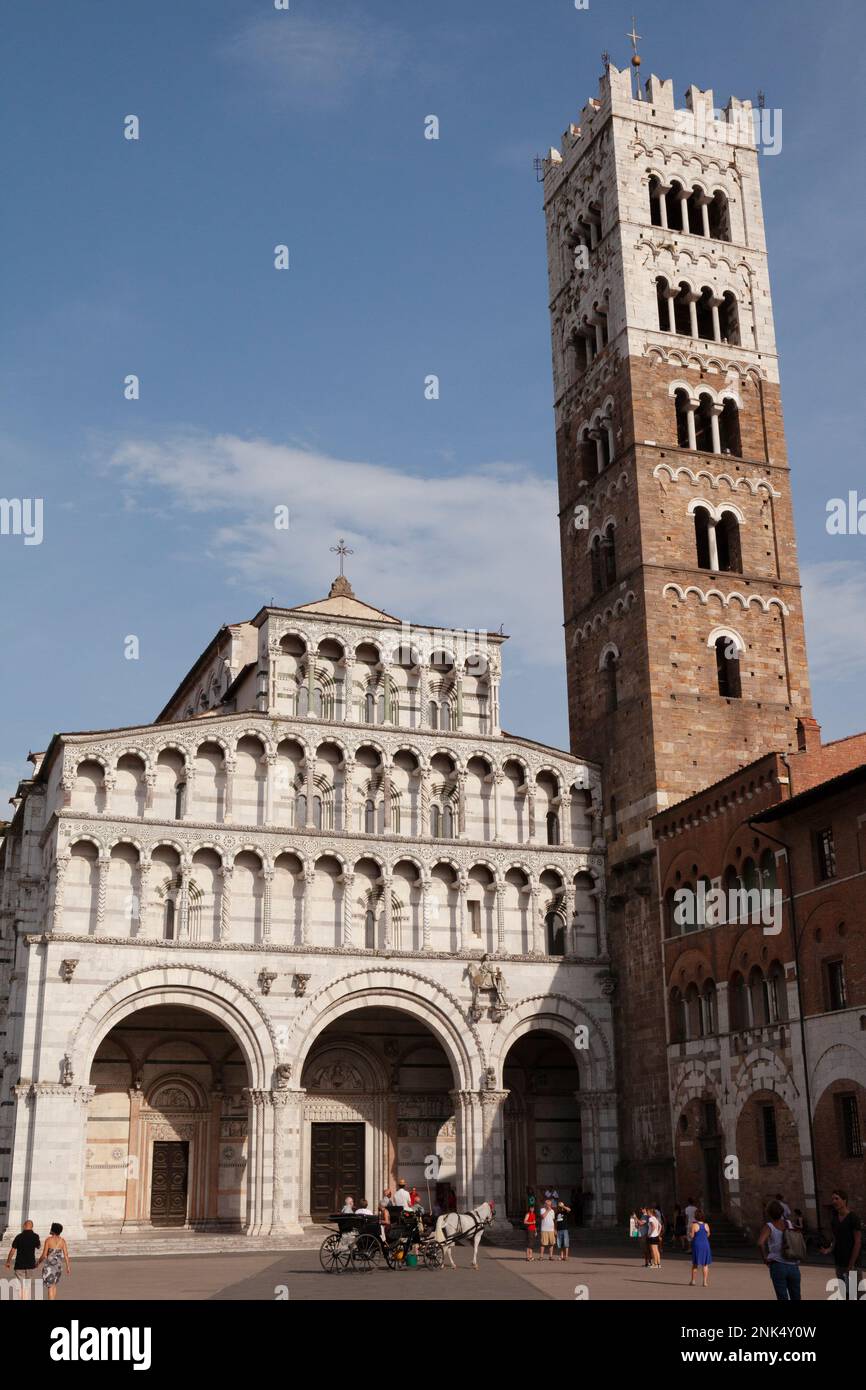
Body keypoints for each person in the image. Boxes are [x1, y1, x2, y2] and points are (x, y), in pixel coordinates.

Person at [820, 1189, 862, 1299]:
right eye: (832, 1199)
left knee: (855, 1295)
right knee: (844, 1294)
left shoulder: (853, 1218)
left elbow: (857, 1242)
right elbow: (835, 1239)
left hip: (852, 1264)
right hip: (839, 1263)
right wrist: (828, 1249)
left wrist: (851, 1265)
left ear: (844, 1200)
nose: (833, 1201)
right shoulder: (834, 1220)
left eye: (836, 1198)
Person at [758, 1199, 802, 1301]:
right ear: (782, 1212)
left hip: (778, 1265)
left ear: (769, 1213)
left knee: (782, 1297)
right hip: (793, 1264)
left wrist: (765, 1258)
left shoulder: (769, 1226)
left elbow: (760, 1243)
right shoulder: (788, 1223)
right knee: (796, 1296)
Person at [4, 1220, 41, 1299]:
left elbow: (12, 1250)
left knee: (20, 1286)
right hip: (30, 1265)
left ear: (24, 1226)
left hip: (19, 1265)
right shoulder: (35, 1236)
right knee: (27, 1286)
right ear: (32, 1227)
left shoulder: (19, 1236)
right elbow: (38, 1246)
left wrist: (8, 1262)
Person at [38, 1224, 71, 1301]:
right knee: (54, 1285)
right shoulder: (62, 1241)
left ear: (53, 1230)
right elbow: (66, 1254)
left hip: (49, 1267)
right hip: (58, 1267)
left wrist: (38, 1263)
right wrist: (68, 1266)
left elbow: (44, 1255)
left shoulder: (48, 1240)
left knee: (50, 1286)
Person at [688, 1208, 712, 1288]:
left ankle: (693, 1280)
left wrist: (689, 1233)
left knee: (695, 1263)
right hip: (705, 1244)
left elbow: (692, 1236)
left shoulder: (694, 1225)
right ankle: (705, 1282)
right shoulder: (706, 1225)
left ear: (696, 1216)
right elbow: (708, 1234)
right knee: (705, 1264)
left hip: (697, 1244)